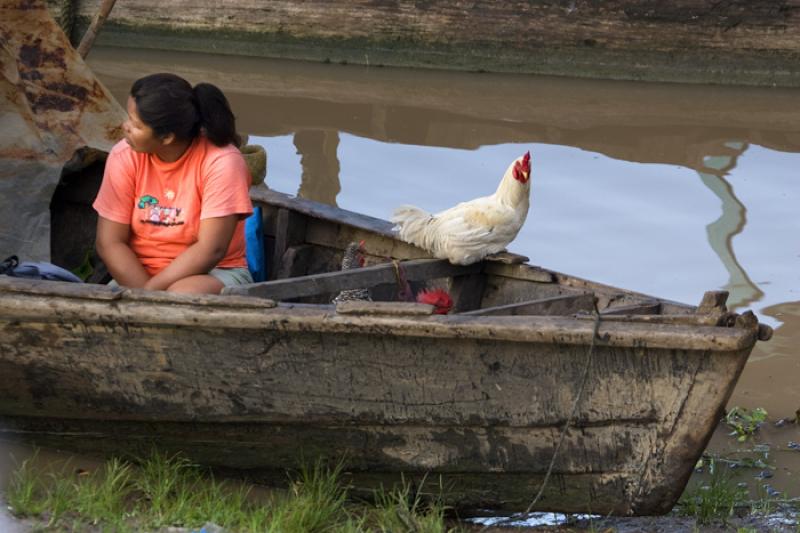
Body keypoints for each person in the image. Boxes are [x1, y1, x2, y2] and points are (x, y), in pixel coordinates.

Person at [93, 73, 254, 294]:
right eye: (129, 118)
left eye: (136, 125)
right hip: (140, 276)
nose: (125, 127)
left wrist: (149, 296)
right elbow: (110, 242)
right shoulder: (125, 155)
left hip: (214, 272)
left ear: (167, 137)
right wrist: (143, 293)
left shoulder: (222, 162)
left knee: (181, 296)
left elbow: (211, 249)